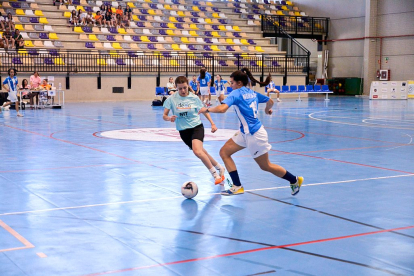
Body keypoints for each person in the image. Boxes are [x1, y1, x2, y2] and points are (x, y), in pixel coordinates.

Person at [198, 70, 303, 196]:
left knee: (266, 166)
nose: (230, 85)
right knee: (224, 152)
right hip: (245, 132)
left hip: (255, 134)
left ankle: (294, 180)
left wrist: (206, 109)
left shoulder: (236, 93)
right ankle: (237, 186)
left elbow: (222, 109)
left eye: (232, 83)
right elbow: (270, 102)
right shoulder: (251, 92)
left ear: (239, 83)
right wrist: (267, 109)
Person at [163, 76, 225, 185]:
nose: (182, 90)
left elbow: (204, 110)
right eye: (180, 88)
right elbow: (164, 115)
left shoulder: (194, 98)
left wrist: (212, 123)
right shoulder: (171, 99)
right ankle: (220, 167)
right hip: (183, 131)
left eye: (185, 88)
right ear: (176, 88)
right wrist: (169, 118)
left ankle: (215, 175)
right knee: (202, 152)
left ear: (188, 86)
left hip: (196, 127)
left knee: (197, 151)